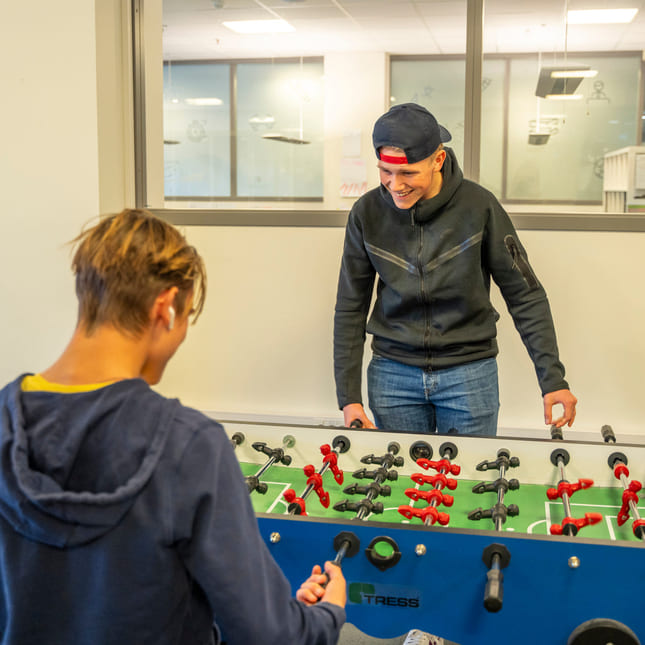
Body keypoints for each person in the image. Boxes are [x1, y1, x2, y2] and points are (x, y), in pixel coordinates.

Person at [0, 208, 346, 644]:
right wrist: (326, 615)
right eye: (186, 318)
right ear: (164, 308)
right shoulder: (191, 445)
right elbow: (269, 635)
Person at [334, 103, 577, 436]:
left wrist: (553, 380)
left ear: (438, 159)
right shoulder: (366, 214)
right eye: (385, 171)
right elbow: (350, 307)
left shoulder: (480, 206)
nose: (394, 184)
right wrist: (349, 399)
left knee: (467, 482)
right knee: (400, 483)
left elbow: (526, 296)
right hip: (392, 375)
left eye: (407, 173)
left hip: (468, 375)